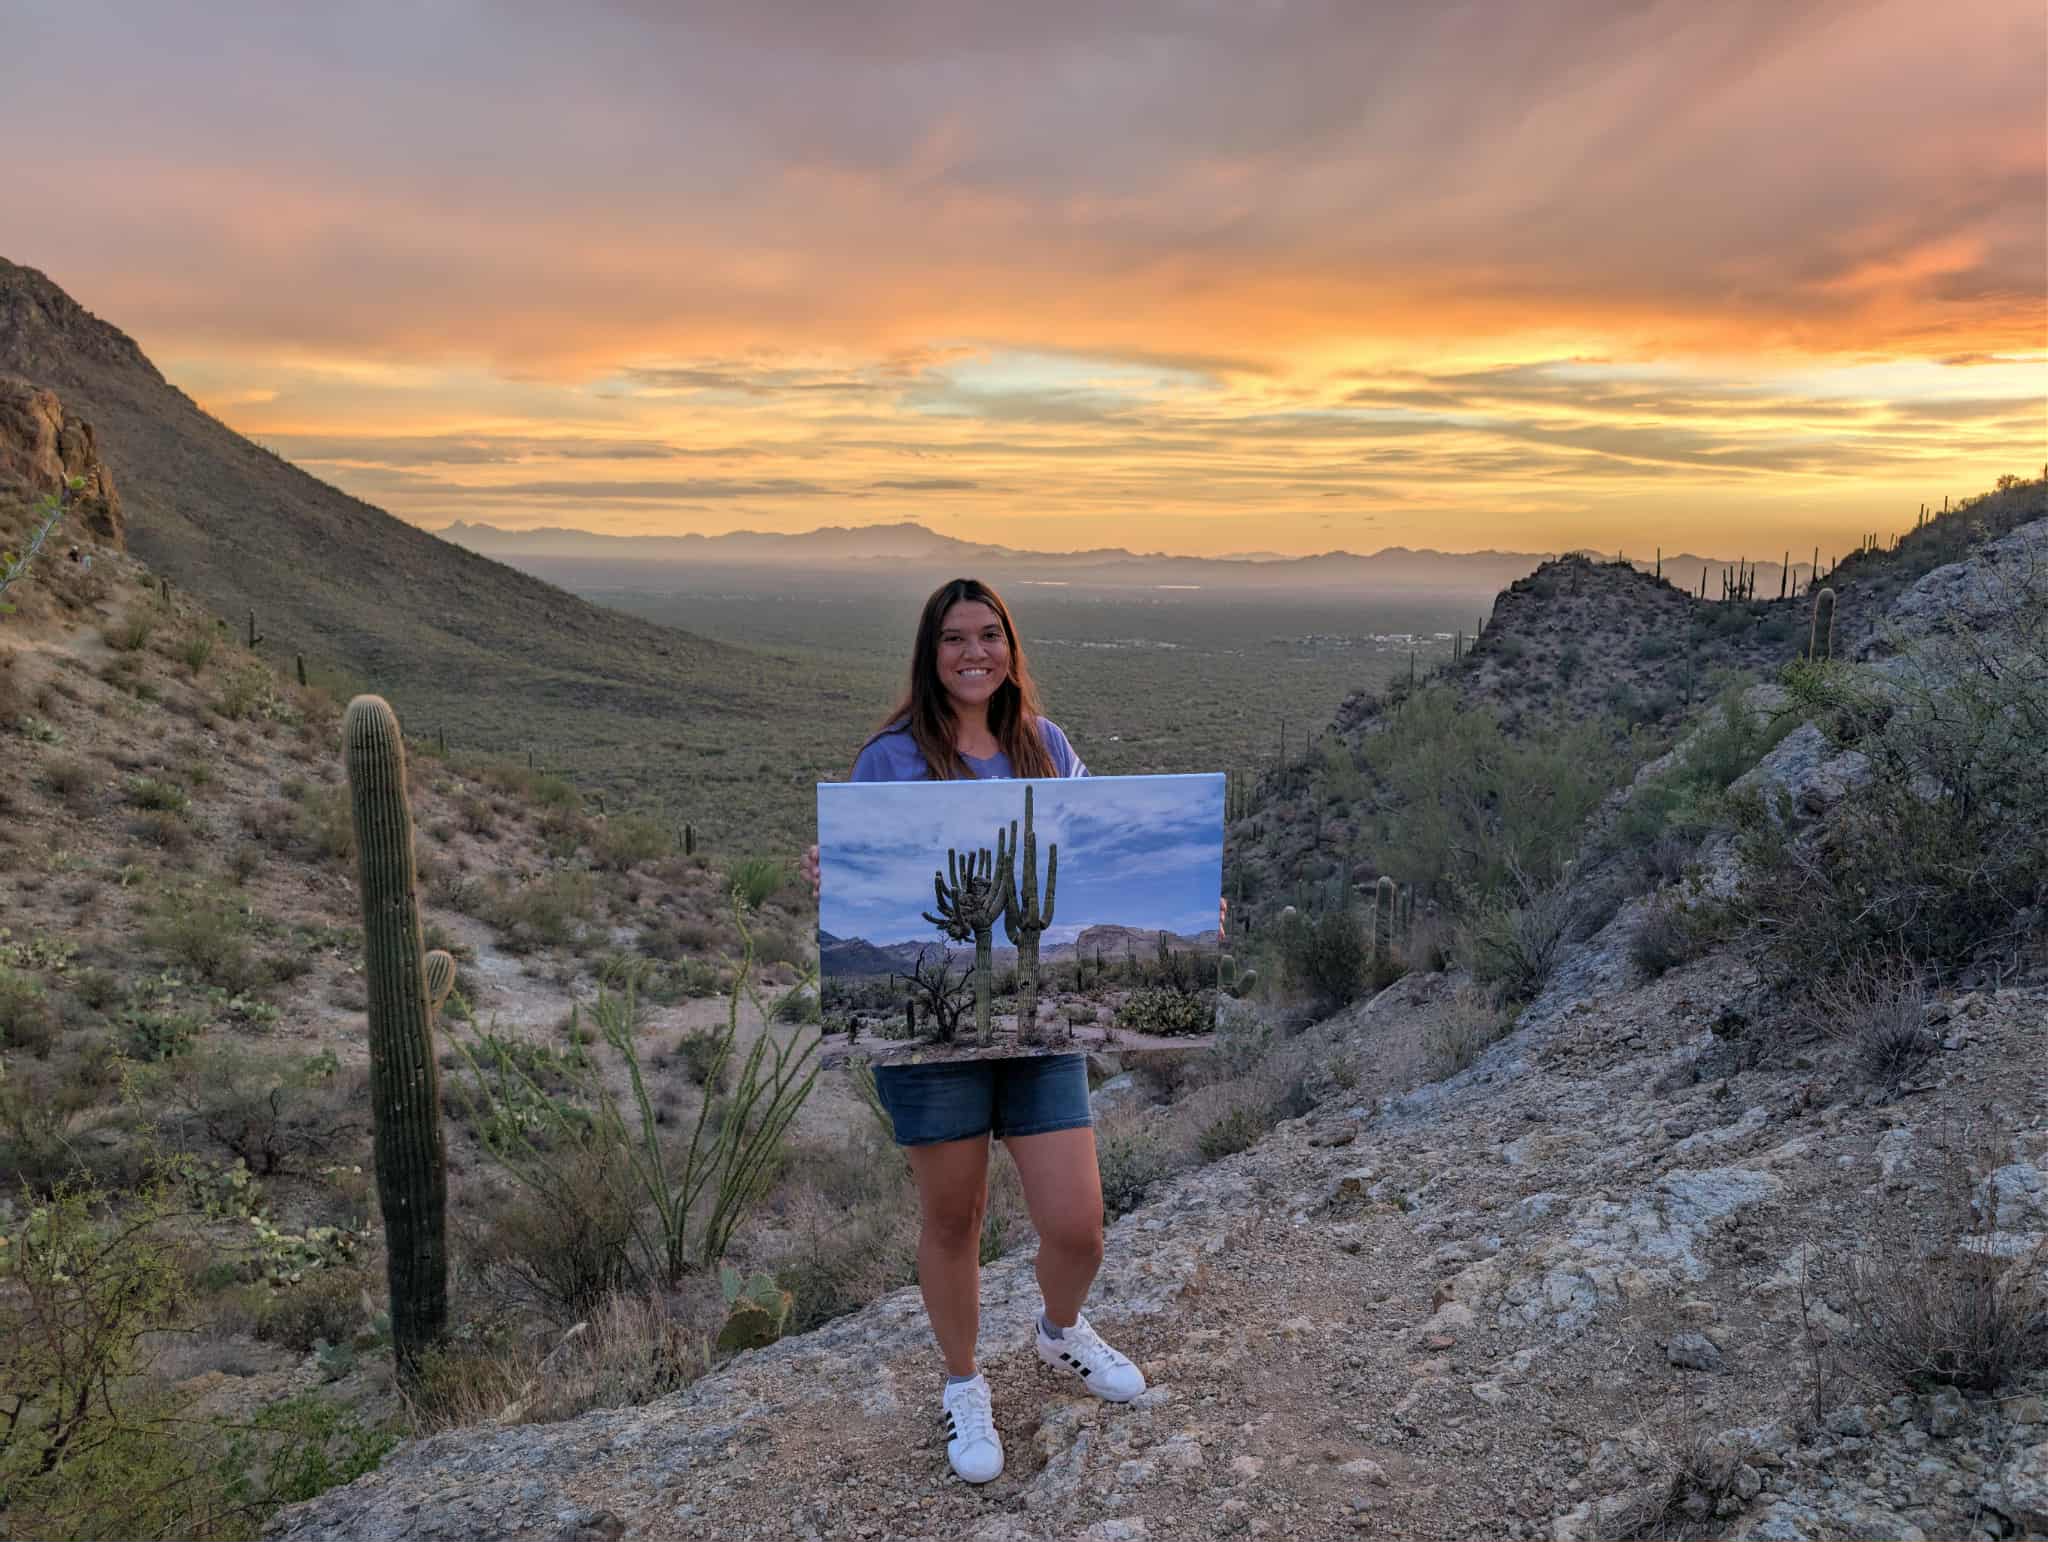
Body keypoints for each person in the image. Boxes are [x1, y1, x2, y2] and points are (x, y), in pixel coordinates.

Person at [800, 576, 1149, 1487]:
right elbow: (867, 874)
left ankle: (1059, 1331)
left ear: (1010, 647)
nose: (973, 654)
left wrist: (1192, 909)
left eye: (988, 636)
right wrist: (829, 876)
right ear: (931, 652)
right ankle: (964, 1384)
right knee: (953, 1220)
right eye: (954, 639)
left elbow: (1096, 855)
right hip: (933, 1030)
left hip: (1036, 1025)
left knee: (1078, 1225)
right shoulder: (889, 758)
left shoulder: (1048, 745)